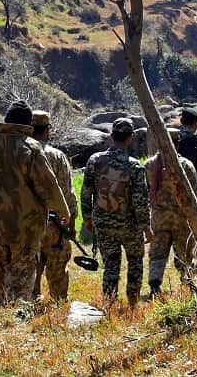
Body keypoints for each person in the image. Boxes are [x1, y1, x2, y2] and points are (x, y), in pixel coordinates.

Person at [0, 100, 70, 306]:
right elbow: (48, 186)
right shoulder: (31, 148)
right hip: (26, 229)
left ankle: (6, 312)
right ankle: (16, 317)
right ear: (27, 124)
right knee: (21, 282)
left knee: (2, 279)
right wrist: (64, 212)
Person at [81, 118, 151, 305]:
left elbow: (86, 192)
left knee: (110, 264)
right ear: (131, 137)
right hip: (130, 226)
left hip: (103, 223)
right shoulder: (135, 166)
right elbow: (140, 200)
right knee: (135, 263)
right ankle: (133, 304)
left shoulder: (95, 160)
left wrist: (87, 219)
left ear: (111, 136)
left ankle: (109, 303)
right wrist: (146, 227)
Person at [30, 109, 78, 302]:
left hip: (28, 224)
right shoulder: (57, 156)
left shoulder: (21, 153)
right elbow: (67, 193)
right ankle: (58, 305)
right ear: (47, 129)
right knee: (57, 269)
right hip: (55, 225)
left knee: (30, 269)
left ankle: (29, 303)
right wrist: (71, 223)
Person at [145, 150, 197, 297]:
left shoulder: (150, 165)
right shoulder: (186, 165)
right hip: (181, 219)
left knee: (157, 254)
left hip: (159, 219)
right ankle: (189, 285)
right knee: (186, 255)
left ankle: (154, 286)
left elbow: (145, 192)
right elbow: (194, 195)